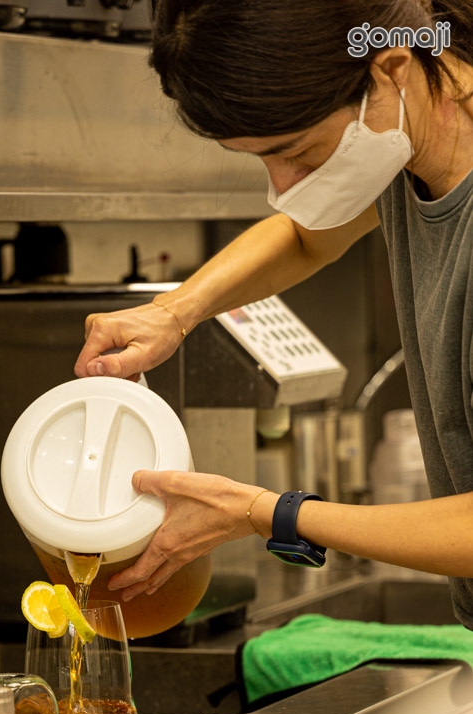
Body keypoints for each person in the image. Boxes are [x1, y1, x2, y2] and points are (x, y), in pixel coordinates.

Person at [73, 0, 473, 627]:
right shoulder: (407, 147)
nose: (284, 186)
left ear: (391, 69)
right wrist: (173, 313)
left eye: (299, 152)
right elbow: (309, 234)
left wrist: (261, 511)